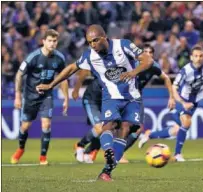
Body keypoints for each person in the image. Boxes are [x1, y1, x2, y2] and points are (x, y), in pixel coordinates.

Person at [36, 24, 154, 181]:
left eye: (95, 40)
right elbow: (71, 69)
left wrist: (133, 72)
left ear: (104, 37)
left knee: (127, 129)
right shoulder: (89, 56)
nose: (93, 45)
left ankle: (106, 171)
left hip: (133, 97)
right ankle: (107, 150)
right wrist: (51, 85)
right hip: (111, 97)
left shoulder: (123, 45)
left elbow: (148, 60)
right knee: (109, 124)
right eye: (89, 42)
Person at [72, 44, 175, 164]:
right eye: (144, 52)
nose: (147, 54)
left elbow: (166, 78)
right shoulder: (129, 64)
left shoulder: (153, 66)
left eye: (150, 52)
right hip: (100, 97)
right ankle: (82, 146)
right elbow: (85, 70)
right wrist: (77, 87)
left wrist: (171, 97)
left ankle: (114, 153)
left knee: (134, 129)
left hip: (128, 98)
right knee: (105, 126)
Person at [138, 45, 203, 162]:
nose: (199, 58)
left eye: (201, 56)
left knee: (177, 130)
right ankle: (177, 154)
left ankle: (149, 135)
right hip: (183, 99)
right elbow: (174, 88)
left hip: (194, 103)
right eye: (196, 56)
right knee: (186, 122)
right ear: (191, 57)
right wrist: (182, 102)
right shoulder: (186, 71)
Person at [11, 29, 69, 165]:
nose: (52, 43)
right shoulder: (33, 57)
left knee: (46, 124)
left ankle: (43, 156)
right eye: (49, 40)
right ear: (43, 41)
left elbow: (64, 78)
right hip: (30, 96)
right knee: (25, 126)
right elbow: (19, 75)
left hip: (46, 96)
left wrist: (66, 98)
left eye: (55, 41)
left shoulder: (59, 58)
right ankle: (20, 148)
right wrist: (17, 96)